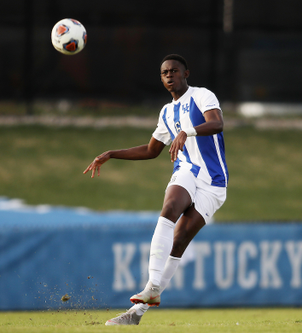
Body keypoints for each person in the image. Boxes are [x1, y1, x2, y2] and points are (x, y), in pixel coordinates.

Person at [83, 54, 228, 325]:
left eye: (174, 70)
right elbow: (152, 150)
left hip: (213, 181)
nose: (169, 75)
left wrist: (188, 132)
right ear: (161, 79)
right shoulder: (166, 112)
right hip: (185, 171)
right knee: (170, 209)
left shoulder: (202, 95)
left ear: (187, 73)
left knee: (179, 241)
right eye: (164, 73)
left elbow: (217, 123)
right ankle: (146, 296)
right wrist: (112, 153)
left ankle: (137, 312)